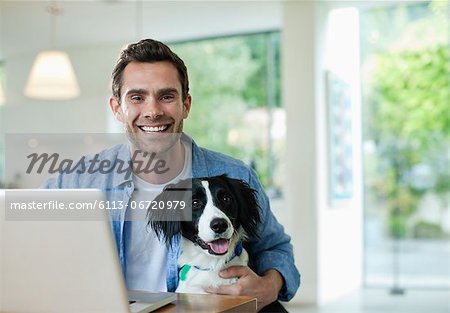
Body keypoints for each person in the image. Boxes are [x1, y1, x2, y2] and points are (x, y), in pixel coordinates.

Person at [43, 39, 300, 310]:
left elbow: (276, 249)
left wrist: (270, 286)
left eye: (166, 96)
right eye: (137, 97)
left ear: (185, 105)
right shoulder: (78, 179)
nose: (153, 112)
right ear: (117, 108)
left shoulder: (236, 175)